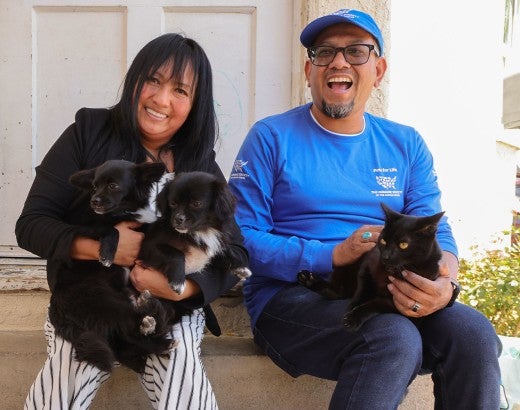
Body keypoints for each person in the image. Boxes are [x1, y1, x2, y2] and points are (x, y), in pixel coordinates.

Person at [228, 9, 501, 409]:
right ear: (309, 70)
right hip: (295, 298)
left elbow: (436, 231)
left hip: (383, 290)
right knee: (391, 336)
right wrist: (332, 255)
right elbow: (238, 239)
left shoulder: (405, 144)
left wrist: (443, 284)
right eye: (325, 52)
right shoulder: (270, 137)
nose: (339, 62)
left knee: (474, 334)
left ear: (379, 68)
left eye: (356, 51)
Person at [16, 33, 247, 410]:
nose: (161, 99)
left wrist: (182, 290)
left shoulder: (198, 164)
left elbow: (235, 251)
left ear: (195, 104)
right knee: (66, 374)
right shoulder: (88, 132)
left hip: (168, 308)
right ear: (135, 81)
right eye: (153, 80)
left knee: (180, 371)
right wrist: (103, 249)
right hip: (91, 296)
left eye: (180, 90)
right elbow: (31, 224)